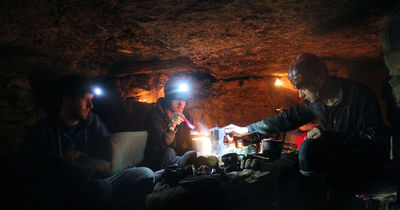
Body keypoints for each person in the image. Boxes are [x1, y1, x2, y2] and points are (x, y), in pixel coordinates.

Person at [225, 53, 386, 184]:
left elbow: (376, 137)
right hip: (335, 162)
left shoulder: (359, 95)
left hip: (360, 168)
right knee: (287, 161)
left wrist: (331, 138)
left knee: (307, 149)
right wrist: (248, 129)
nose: (301, 95)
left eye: (303, 89)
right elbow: (286, 118)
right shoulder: (315, 102)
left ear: (318, 80)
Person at [26, 74, 155, 210]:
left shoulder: (93, 122)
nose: (91, 105)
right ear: (67, 100)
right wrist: (63, 162)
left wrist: (119, 155)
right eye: (84, 99)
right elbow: (35, 176)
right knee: (101, 189)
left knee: (144, 174)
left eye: (92, 99)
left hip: (98, 177)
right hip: (69, 191)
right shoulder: (44, 132)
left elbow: (108, 150)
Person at [144, 78, 198, 171]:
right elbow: (163, 144)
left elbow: (188, 140)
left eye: (183, 100)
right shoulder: (156, 115)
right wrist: (172, 126)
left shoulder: (184, 115)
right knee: (169, 152)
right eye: (176, 99)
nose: (181, 104)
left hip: (176, 158)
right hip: (158, 162)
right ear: (167, 99)